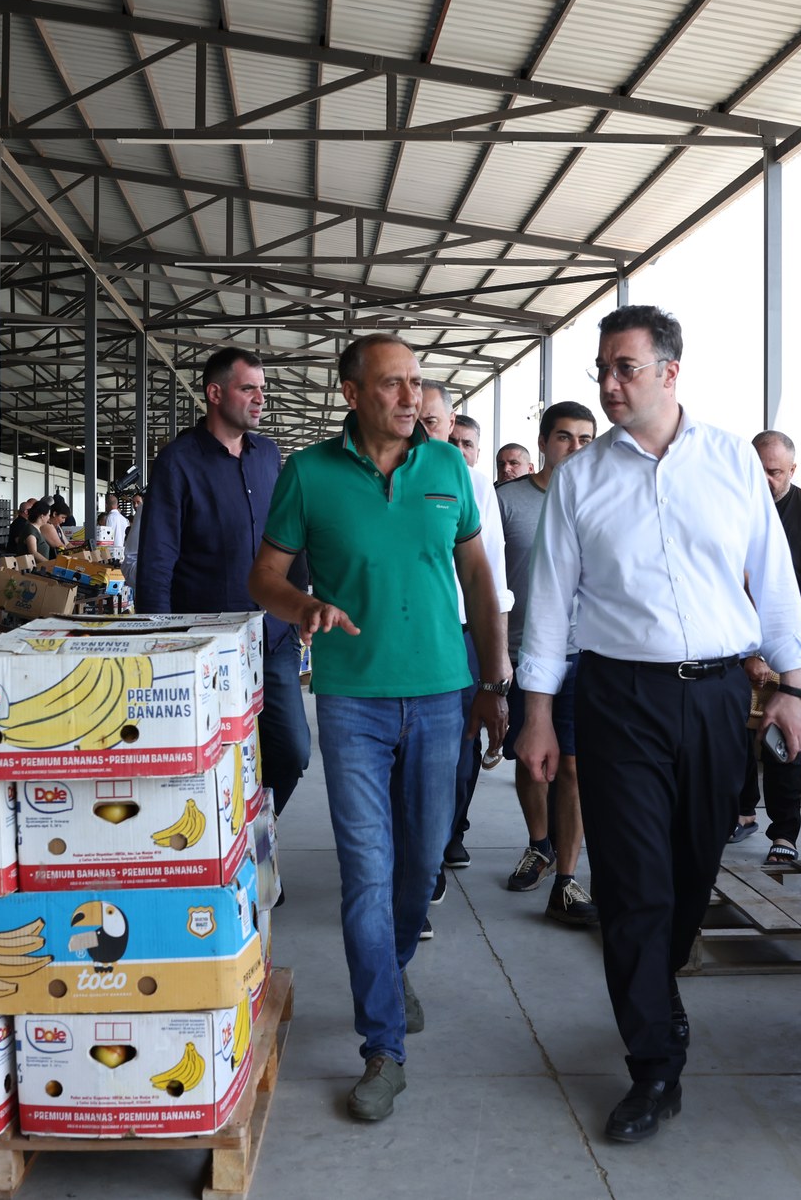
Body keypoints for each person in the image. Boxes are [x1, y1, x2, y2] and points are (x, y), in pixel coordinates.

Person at [514, 305, 801, 1145]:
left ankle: (661, 984)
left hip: (716, 696)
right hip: (618, 698)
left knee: (692, 865)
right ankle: (654, 1063)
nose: (610, 385)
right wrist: (537, 713)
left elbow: (773, 576)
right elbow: (549, 603)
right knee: (634, 882)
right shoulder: (581, 479)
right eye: (603, 370)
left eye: (626, 368)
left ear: (670, 372)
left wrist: (794, 684)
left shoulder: (729, 461)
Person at [248, 333, 508, 1124]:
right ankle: (383, 1046)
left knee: (420, 866)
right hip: (352, 700)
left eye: (415, 382)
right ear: (352, 392)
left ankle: (391, 973)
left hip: (440, 693)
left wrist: (494, 682)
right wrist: (305, 606)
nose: (409, 397)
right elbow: (265, 576)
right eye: (392, 383)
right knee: (367, 871)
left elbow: (477, 574)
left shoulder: (447, 467)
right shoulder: (309, 473)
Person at [138, 348, 314, 815]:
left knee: (291, 751)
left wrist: (300, 605)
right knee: (211, 752)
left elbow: (290, 536)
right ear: (215, 394)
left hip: (272, 635)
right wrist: (159, 643)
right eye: (248, 388)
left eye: (262, 389)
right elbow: (157, 561)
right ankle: (229, 839)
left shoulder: (268, 455)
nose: (260, 398)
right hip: (208, 643)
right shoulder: (178, 462)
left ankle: (256, 831)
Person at [496, 400, 599, 927]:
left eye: (586, 439)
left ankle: (567, 878)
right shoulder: (507, 501)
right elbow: (485, 584)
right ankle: (539, 845)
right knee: (531, 759)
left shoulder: (603, 499)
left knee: (575, 765)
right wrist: (494, 660)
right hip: (524, 653)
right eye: (564, 437)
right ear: (542, 443)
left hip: (585, 653)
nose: (575, 448)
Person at [417, 381, 512, 903]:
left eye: (432, 422)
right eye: (415, 421)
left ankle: (448, 833)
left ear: (451, 424)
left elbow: (490, 573)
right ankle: (422, 853)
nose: (422, 432)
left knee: (461, 744)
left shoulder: (474, 485)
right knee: (415, 746)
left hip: (462, 633)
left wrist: (497, 665)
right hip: (409, 636)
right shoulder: (385, 477)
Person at [733, 431, 801, 865]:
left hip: (790, 643)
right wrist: (747, 654)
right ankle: (741, 813)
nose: (765, 479)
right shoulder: (732, 507)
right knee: (734, 737)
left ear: (792, 470)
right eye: (757, 469)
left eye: (774, 472)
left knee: (784, 740)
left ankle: (784, 832)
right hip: (737, 642)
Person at [6, 501, 57, 565]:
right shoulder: (30, 530)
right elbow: (33, 552)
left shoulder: (37, 528)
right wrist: (50, 563)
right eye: (48, 515)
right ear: (42, 516)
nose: (49, 518)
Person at [100, 491, 130, 559]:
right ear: (117, 505)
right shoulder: (124, 519)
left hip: (112, 553)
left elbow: (107, 537)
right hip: (122, 553)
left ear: (106, 505)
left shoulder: (110, 517)